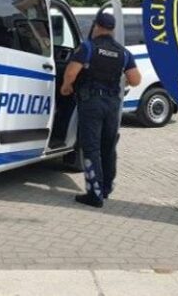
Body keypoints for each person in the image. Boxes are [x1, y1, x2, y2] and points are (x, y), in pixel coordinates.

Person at [61, 12, 142, 208]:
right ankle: (106, 188)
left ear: (96, 26)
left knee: (91, 148)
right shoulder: (123, 52)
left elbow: (71, 73)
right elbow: (135, 80)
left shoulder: (88, 47)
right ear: (112, 29)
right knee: (108, 147)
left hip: (91, 102)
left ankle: (94, 194)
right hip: (112, 104)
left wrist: (66, 86)